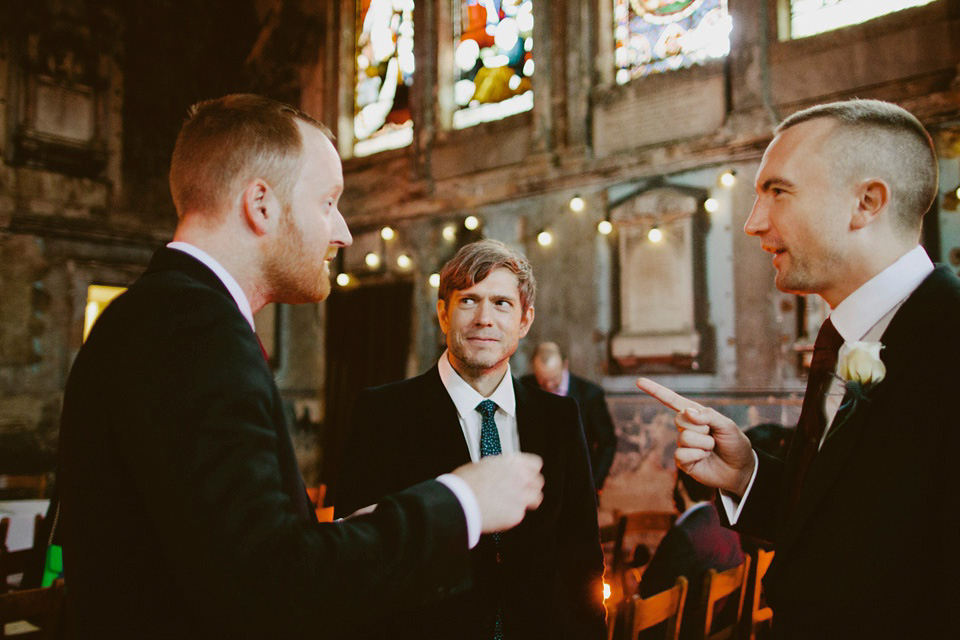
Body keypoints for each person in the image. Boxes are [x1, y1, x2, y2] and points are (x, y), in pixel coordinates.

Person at [57, 95, 546, 639]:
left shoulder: (163, 313)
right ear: (260, 204)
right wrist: (463, 503)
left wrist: (356, 533)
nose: (343, 232)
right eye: (328, 202)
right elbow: (270, 586)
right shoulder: (192, 331)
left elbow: (224, 553)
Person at [637, 99, 958, 638]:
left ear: (866, 203)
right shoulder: (841, 336)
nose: (752, 223)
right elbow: (845, 519)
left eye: (778, 192)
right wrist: (747, 475)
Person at [336, 240, 607, 640]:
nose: (485, 318)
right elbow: (361, 559)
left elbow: (582, 557)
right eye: (468, 301)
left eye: (501, 303)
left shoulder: (560, 418)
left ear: (525, 320)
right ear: (443, 314)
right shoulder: (383, 412)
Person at [638, 473, 743, 640]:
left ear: (680, 485)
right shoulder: (725, 523)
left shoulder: (684, 535)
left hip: (679, 632)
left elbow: (649, 594)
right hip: (718, 629)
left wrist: (633, 581)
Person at [520, 342, 617, 492]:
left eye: (553, 378)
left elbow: (607, 442)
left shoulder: (589, 393)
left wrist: (595, 482)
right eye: (543, 380)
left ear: (565, 365)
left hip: (578, 483)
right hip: (536, 485)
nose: (549, 386)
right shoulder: (524, 386)